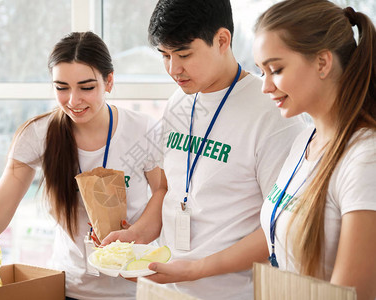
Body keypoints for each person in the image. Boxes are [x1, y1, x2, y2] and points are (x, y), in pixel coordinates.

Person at [101, 0, 305, 299]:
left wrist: (196, 269)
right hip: (164, 287)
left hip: (231, 292)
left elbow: (280, 226)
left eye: (184, 54)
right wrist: (135, 235)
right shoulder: (179, 101)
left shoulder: (272, 113)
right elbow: (169, 191)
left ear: (222, 40)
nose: (173, 69)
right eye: (165, 55)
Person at [0, 31, 167, 300]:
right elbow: (4, 199)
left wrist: (134, 234)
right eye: (61, 87)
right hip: (67, 288)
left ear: (109, 81)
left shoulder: (143, 130)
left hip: (136, 288)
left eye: (86, 87)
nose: (73, 101)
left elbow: (162, 192)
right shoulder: (38, 134)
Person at [253, 1, 376, 299]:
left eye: (275, 70)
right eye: (261, 72)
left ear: (322, 62)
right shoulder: (305, 139)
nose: (265, 87)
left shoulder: (365, 158)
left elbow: (351, 294)